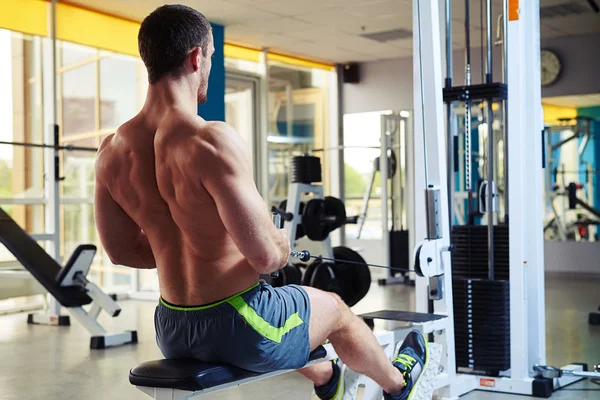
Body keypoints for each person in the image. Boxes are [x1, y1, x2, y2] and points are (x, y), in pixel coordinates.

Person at [94, 4, 435, 400]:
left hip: (171, 328)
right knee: (336, 309)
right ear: (196, 57)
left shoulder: (111, 152)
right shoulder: (208, 141)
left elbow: (121, 252)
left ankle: (328, 380)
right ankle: (398, 384)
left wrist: (185, 246)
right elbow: (267, 259)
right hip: (240, 324)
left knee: (294, 310)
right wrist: (278, 241)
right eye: (211, 59)